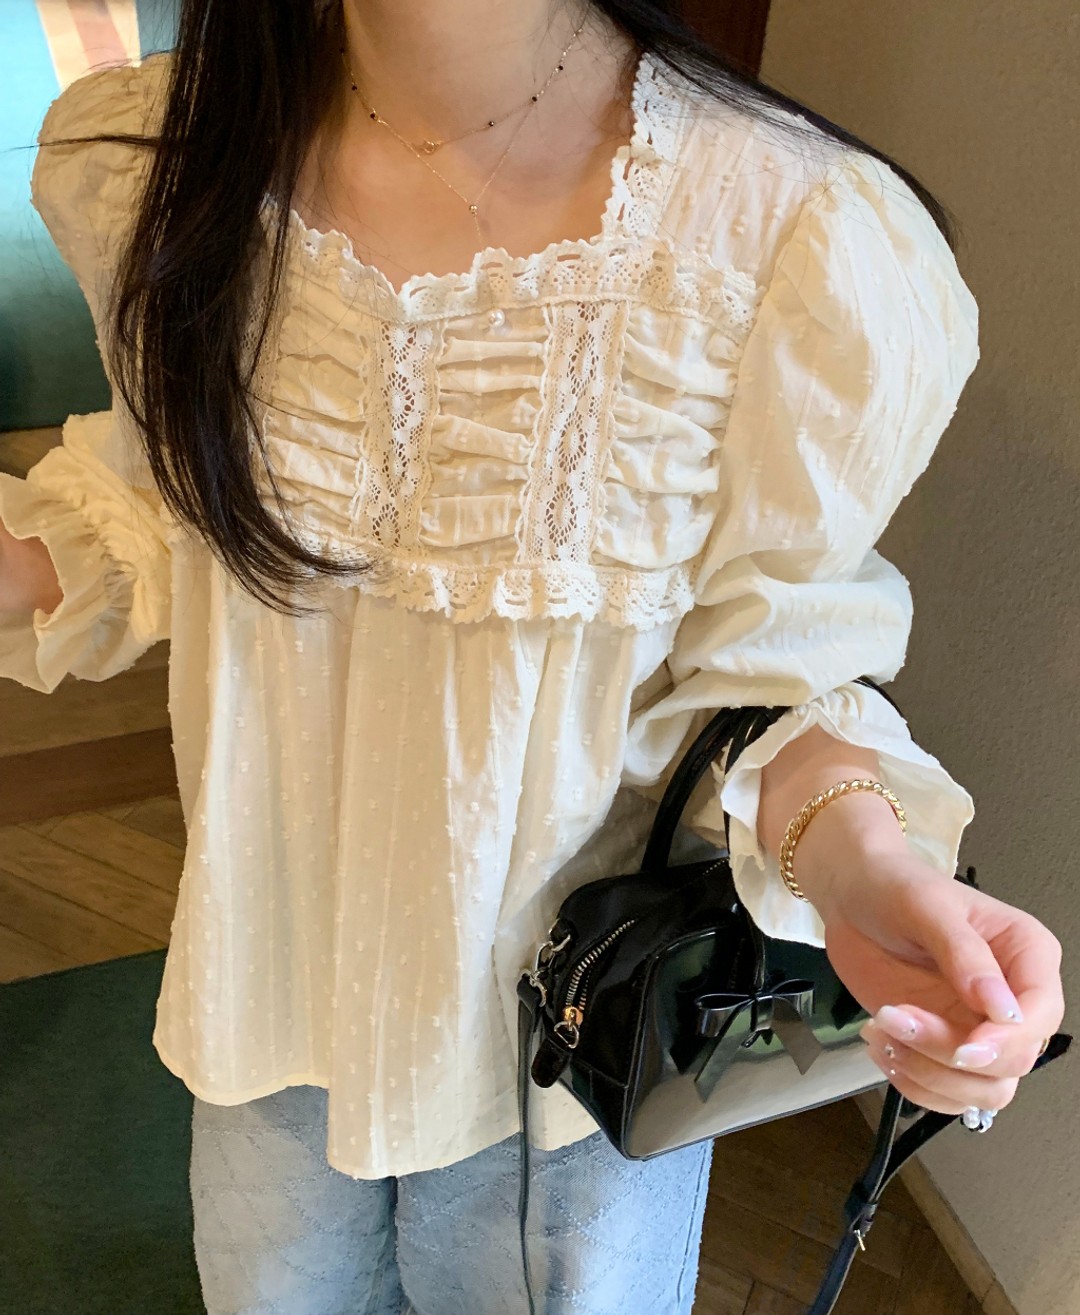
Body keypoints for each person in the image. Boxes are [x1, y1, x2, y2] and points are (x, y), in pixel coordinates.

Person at [0, 2, 1065, 1312]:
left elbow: (769, 676)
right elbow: (158, 510)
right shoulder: (164, 157)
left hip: (569, 1072)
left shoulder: (786, 231)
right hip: (269, 1002)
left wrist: (871, 874)